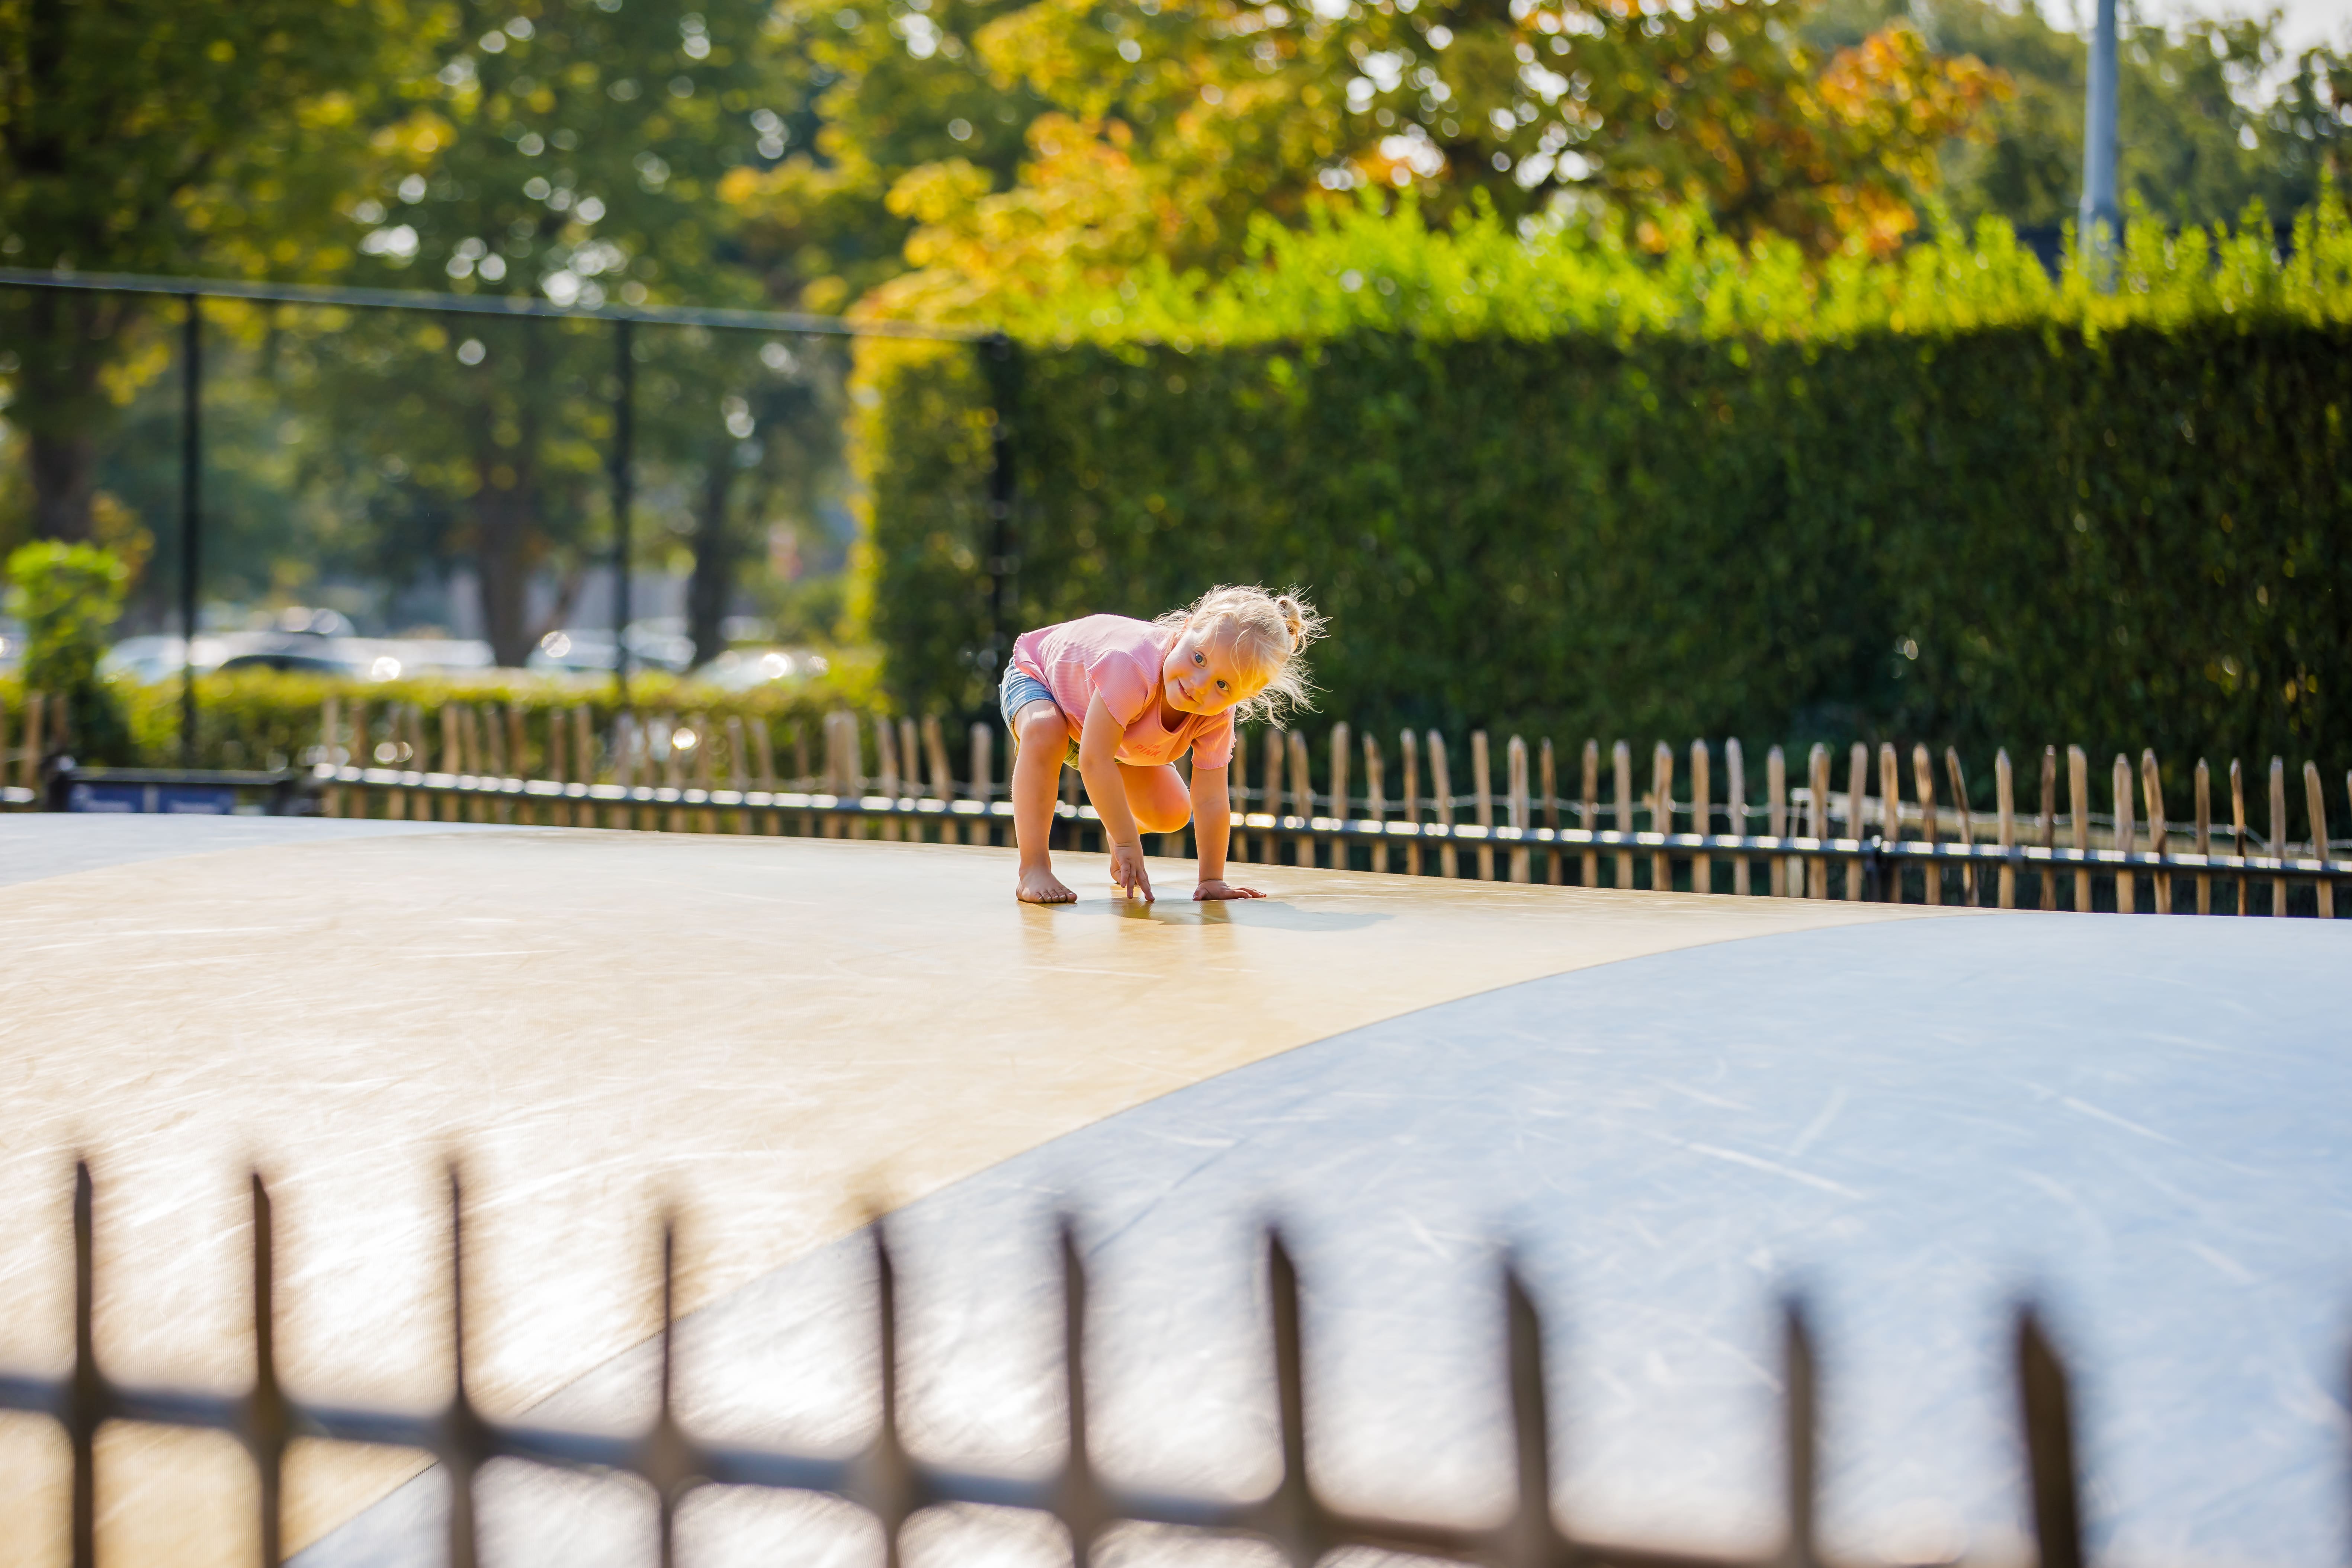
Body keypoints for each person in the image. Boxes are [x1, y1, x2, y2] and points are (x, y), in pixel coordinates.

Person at [1001, 584, 1324, 904]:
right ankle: (1033, 868)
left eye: (1222, 684)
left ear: (1246, 695)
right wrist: (1130, 844)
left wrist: (1211, 879)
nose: (1198, 685)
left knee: (1172, 811)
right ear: (1187, 627)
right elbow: (1093, 760)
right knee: (1046, 731)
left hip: (1108, 731)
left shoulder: (1217, 716)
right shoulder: (1132, 665)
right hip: (1041, 679)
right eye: (1199, 657)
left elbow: (1211, 798)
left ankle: (1117, 829)